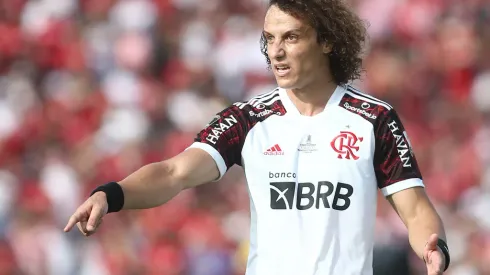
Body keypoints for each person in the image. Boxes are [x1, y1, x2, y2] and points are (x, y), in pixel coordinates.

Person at [64, 0, 451, 274]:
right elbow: (174, 172)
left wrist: (435, 249)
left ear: (327, 42)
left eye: (292, 38)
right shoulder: (248, 118)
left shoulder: (374, 118)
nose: (276, 52)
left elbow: (414, 208)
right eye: (269, 38)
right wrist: (111, 194)